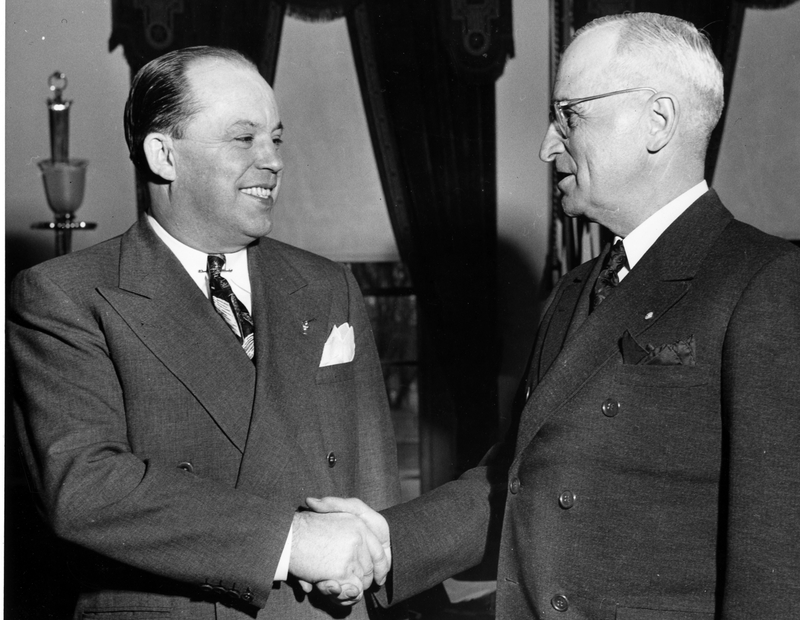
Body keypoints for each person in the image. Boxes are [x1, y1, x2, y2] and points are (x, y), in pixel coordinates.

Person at [309, 12, 800, 619]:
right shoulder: (576, 290)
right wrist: (383, 543)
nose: (546, 144)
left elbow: (776, 558)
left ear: (658, 121)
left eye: (570, 115)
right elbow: (517, 476)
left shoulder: (765, 281)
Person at [8, 46, 399, 619]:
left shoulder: (327, 284)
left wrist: (369, 568)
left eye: (276, 138)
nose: (273, 160)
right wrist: (292, 542)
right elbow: (84, 488)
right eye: (243, 139)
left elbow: (373, 476)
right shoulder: (65, 296)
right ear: (164, 155)